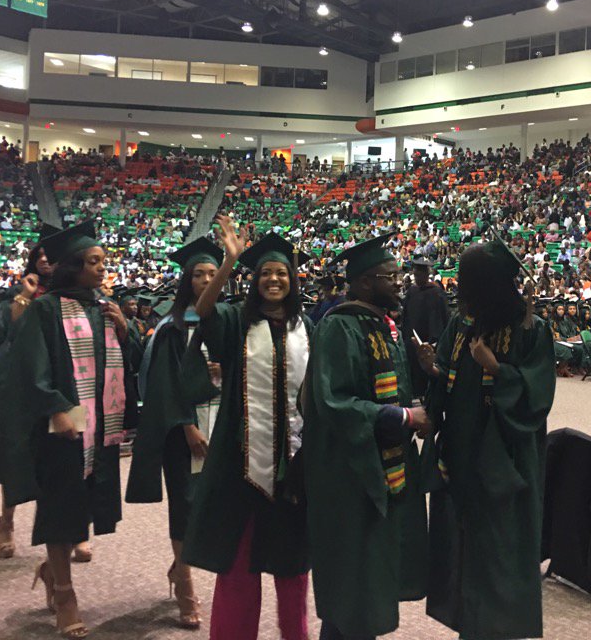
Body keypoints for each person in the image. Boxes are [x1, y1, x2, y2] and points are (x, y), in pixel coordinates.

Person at [0, 222, 141, 639]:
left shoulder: (105, 307)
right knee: (60, 504)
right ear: (74, 266)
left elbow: (128, 362)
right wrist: (55, 407)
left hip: (100, 421)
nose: (102, 268)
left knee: (82, 500)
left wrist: (125, 330)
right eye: (94, 262)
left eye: (103, 261)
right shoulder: (46, 308)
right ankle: (64, 593)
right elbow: (30, 364)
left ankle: (51, 570)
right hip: (66, 418)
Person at [416, 238, 556, 639]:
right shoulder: (462, 326)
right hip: (462, 456)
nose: (464, 295)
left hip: (505, 463)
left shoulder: (531, 330)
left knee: (501, 551)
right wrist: (434, 369)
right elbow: (451, 379)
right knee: (465, 549)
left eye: (471, 285)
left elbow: (538, 398)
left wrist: (497, 369)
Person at [183, 223, 313, 640]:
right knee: (238, 567)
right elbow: (201, 311)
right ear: (254, 282)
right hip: (241, 465)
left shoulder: (307, 328)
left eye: (281, 273)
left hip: (294, 466)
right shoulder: (237, 321)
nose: (273, 279)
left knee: (293, 567)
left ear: (292, 281)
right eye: (265, 274)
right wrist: (229, 261)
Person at [304, 233, 431, 639]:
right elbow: (333, 402)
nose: (399, 283)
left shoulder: (381, 325)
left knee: (367, 577)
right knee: (352, 578)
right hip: (350, 473)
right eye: (389, 277)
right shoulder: (338, 328)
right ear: (363, 282)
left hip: (379, 464)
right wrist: (405, 417)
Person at [126, 238, 225, 630]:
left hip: (219, 423)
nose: (206, 279)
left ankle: (177, 565)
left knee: (209, 504)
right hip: (182, 429)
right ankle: (185, 585)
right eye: (199, 274)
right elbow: (167, 383)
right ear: (188, 281)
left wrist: (221, 372)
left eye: (212, 273)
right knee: (185, 506)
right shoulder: (173, 327)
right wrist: (188, 426)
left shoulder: (224, 321)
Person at [0, 226, 57, 559]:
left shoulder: (70, 295)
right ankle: (7, 522)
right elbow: (2, 335)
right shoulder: (16, 292)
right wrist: (25, 296)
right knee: (16, 455)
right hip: (21, 384)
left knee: (58, 459)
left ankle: (62, 529)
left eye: (50, 256)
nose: (45, 260)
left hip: (58, 381)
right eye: (40, 255)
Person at [401, 257, 449, 397]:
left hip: (431, 340)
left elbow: (441, 319)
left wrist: (435, 340)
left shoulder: (436, 292)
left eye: (420, 275)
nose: (417, 278)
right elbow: (406, 317)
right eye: (415, 275)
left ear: (427, 275)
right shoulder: (412, 291)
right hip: (413, 341)